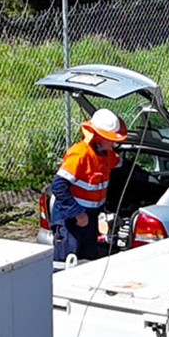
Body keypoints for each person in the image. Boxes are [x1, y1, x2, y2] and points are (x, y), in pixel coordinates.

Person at [47, 108, 126, 262]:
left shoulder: (106, 155)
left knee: (87, 261)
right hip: (70, 219)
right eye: (110, 139)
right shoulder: (80, 154)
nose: (114, 143)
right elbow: (58, 185)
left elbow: (122, 166)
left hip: (90, 217)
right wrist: (77, 213)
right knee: (66, 262)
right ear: (98, 137)